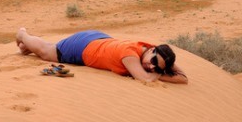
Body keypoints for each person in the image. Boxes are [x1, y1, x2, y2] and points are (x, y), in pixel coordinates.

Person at [16, 28, 188, 84]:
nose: (151, 67)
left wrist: (165, 63)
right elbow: (145, 79)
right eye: (153, 62)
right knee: (46, 52)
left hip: (98, 40)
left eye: (156, 67)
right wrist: (160, 72)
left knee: (43, 50)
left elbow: (184, 79)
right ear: (152, 50)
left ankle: (27, 47)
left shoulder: (147, 50)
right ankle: (22, 34)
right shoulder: (130, 55)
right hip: (83, 47)